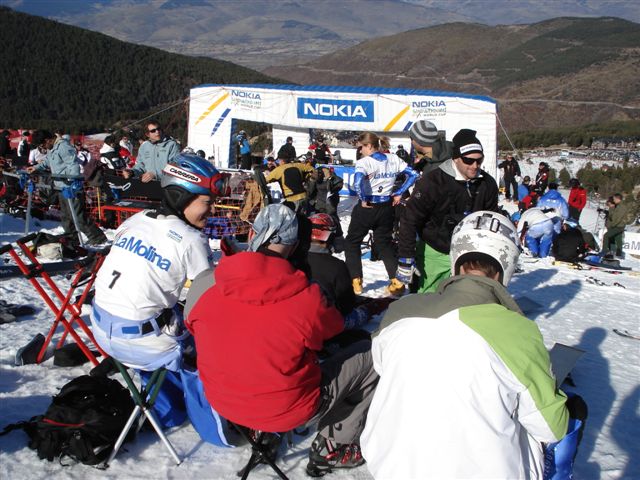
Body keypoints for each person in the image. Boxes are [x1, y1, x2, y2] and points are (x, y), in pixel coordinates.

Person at [362, 211, 586, 479]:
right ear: (506, 268)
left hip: (390, 467)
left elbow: (382, 365)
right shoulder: (518, 331)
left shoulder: (399, 312)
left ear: (456, 259)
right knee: (571, 411)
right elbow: (551, 428)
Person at [188, 204, 378, 476]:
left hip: (222, 402)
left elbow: (198, 327)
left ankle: (261, 431)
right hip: (287, 409)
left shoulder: (206, 283)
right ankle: (334, 447)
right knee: (370, 356)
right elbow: (334, 328)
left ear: (252, 234)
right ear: (296, 246)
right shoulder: (307, 297)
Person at [91, 153, 225, 371]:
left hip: (100, 330)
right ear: (181, 197)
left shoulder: (136, 219)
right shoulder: (192, 240)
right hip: (146, 346)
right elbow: (211, 302)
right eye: (208, 202)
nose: (213, 210)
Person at [396, 128, 499, 294]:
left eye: (479, 161)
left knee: (465, 298)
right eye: (468, 160)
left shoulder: (487, 183)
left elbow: (492, 218)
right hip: (435, 250)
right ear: (456, 158)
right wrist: (406, 257)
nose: (475, 166)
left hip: (470, 252)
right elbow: (410, 218)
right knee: (428, 299)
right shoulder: (433, 181)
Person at [345, 132, 418, 296]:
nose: (360, 151)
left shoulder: (364, 162)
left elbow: (357, 182)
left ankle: (356, 281)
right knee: (384, 244)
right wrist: (399, 192)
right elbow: (413, 174)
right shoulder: (393, 158)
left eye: (361, 147)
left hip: (368, 206)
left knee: (352, 242)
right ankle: (397, 281)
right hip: (386, 206)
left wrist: (363, 198)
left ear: (369, 146)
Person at [27, 130, 107, 246]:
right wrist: (36, 167)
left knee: (77, 215)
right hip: (61, 187)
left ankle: (97, 237)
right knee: (66, 216)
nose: (42, 148)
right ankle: (72, 236)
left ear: (47, 140)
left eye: (42, 145)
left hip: (70, 187)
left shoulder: (63, 147)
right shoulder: (52, 148)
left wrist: (73, 181)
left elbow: (73, 164)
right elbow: (48, 160)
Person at [602, 193, 633, 258]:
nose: (613, 200)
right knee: (617, 238)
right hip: (619, 225)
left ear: (617, 199)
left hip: (619, 226)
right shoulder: (619, 205)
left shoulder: (621, 206)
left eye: (614, 199)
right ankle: (617, 253)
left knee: (606, 236)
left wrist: (612, 225)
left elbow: (618, 218)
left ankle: (604, 251)